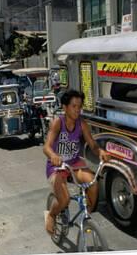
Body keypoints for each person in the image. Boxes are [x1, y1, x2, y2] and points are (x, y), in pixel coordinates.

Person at [43, 89, 110, 235]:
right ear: (65, 107)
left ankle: (86, 217)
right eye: (74, 106)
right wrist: (53, 155)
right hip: (57, 167)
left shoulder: (82, 124)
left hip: (73, 165)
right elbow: (46, 146)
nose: (77, 110)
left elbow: (92, 144)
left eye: (79, 107)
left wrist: (100, 152)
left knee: (92, 183)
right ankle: (52, 215)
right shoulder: (57, 123)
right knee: (65, 199)